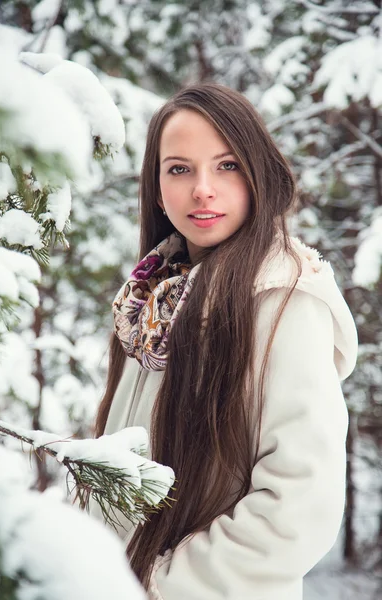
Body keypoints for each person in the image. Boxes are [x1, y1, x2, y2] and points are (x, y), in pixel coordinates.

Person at [94, 82, 358, 600]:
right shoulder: (151, 300)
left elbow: (299, 502)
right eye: (180, 168)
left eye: (227, 165)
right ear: (155, 186)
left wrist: (160, 585)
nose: (203, 189)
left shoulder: (282, 297)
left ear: (258, 174)